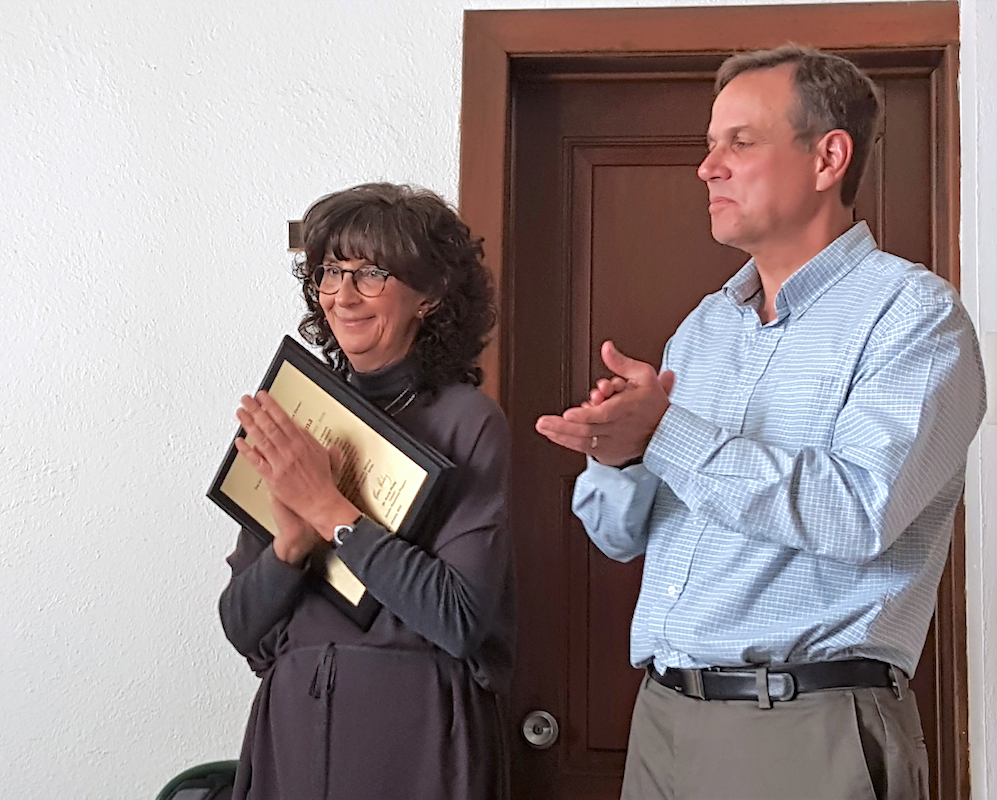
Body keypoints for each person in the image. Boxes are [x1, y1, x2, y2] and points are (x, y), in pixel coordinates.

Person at [535, 45, 984, 799]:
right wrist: (616, 460)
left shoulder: (915, 318)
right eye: (710, 146)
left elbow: (859, 512)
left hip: (803, 727)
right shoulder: (704, 329)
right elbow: (621, 539)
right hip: (662, 720)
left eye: (739, 142)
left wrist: (666, 434)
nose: (708, 167)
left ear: (828, 157)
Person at [219, 183, 514, 799]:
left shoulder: (468, 420)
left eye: (372, 273)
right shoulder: (296, 412)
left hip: (415, 734)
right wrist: (288, 548)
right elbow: (241, 624)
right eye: (331, 272)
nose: (342, 295)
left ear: (430, 296)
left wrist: (332, 513)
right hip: (293, 729)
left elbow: (458, 619)